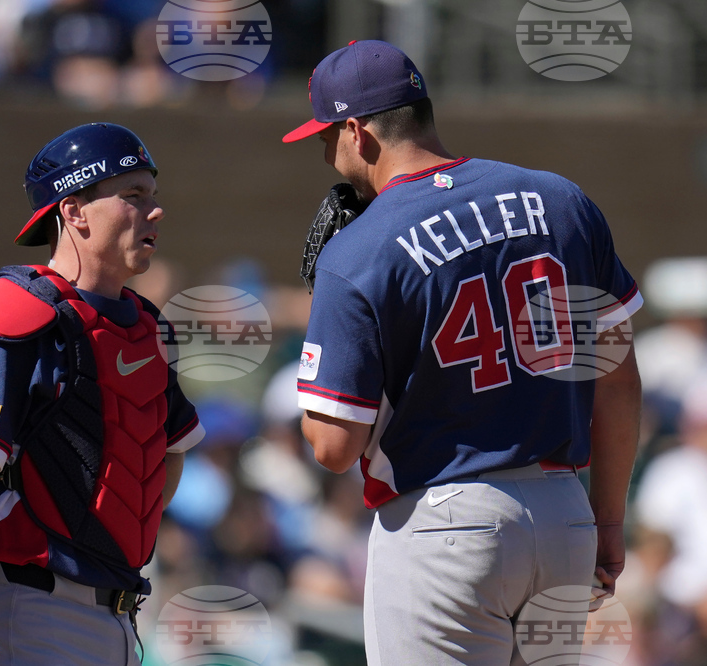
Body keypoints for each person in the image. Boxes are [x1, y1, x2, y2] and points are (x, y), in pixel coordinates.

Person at [282, 40, 642, 664]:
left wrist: (330, 321)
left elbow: (332, 447)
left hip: (446, 521)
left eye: (326, 136)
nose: (324, 152)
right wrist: (607, 520)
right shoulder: (560, 199)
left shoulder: (360, 249)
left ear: (358, 131)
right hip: (564, 513)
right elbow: (618, 378)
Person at [0, 123, 205, 666]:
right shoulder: (16, 314)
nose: (155, 211)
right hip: (26, 609)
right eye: (132, 196)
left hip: (118, 614)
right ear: (74, 211)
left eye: (153, 194)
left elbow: (161, 459)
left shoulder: (145, 324)